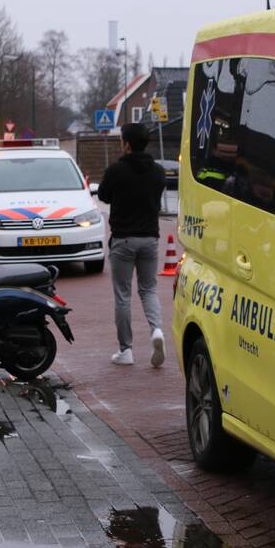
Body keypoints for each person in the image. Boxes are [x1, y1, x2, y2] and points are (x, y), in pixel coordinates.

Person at [97, 123, 167, 367]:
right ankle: (156, 330)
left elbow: (103, 196)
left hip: (123, 240)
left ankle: (126, 351)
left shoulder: (116, 170)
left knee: (123, 295)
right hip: (150, 238)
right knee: (148, 289)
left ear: (126, 144)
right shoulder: (158, 172)